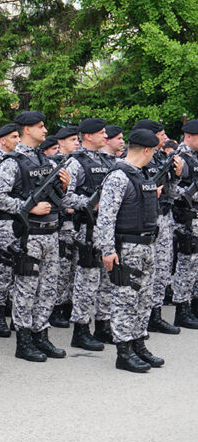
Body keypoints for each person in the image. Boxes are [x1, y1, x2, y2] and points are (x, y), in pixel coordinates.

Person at [0, 111, 70, 362]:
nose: (45, 130)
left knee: (48, 288)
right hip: (29, 235)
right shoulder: (12, 162)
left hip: (50, 233)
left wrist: (64, 187)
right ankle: (24, 341)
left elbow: (59, 199)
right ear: (27, 129)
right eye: (40, 126)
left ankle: (41, 334)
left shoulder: (45, 160)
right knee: (26, 289)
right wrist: (28, 207)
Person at [95, 129, 163, 372]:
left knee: (144, 299)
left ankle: (138, 343)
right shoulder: (118, 176)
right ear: (147, 150)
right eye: (153, 151)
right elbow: (106, 217)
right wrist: (107, 249)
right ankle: (124, 352)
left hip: (146, 245)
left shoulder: (141, 175)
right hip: (127, 247)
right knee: (125, 299)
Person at [62, 118, 115, 351]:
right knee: (86, 281)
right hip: (88, 228)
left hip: (107, 229)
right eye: (101, 133)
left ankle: (103, 325)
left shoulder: (108, 160)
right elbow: (64, 197)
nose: (106, 136)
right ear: (88, 136)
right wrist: (91, 204)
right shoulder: (75, 163)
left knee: (106, 280)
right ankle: (81, 330)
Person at [136, 119, 184, 334]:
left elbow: (171, 192)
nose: (165, 138)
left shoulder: (159, 158)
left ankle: (155, 314)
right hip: (147, 220)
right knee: (145, 271)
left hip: (164, 216)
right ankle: (141, 317)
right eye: (162, 134)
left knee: (163, 269)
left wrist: (177, 176)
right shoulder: (137, 160)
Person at [0, 122, 20, 337]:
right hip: (5, 223)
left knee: (21, 270)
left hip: (22, 223)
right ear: (2, 141)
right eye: (13, 137)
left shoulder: (22, 161)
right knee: (3, 270)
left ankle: (17, 314)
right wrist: (24, 207)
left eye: (18, 136)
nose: (17, 140)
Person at [49, 126, 81, 330]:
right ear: (60, 143)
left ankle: (69, 305)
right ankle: (56, 307)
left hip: (76, 222)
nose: (76, 143)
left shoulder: (78, 162)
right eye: (72, 140)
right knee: (61, 269)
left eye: (77, 140)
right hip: (62, 223)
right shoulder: (56, 164)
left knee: (74, 269)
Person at [168, 119, 198, 331]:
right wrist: (190, 195)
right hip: (185, 218)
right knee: (186, 264)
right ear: (189, 135)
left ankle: (194, 305)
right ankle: (182, 308)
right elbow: (170, 188)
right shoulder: (178, 158)